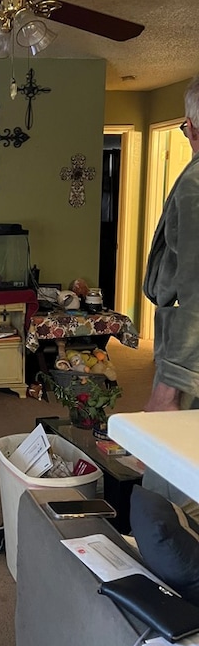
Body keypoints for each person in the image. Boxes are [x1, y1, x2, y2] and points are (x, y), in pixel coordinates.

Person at [143, 73, 199, 413]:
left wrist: (167, 391)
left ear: (191, 128)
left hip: (189, 359)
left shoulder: (195, 184)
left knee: (169, 460)